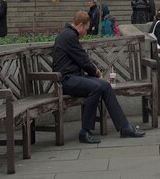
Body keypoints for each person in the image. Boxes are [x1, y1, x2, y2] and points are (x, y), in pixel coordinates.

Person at [52, 11, 146, 143]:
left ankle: (125, 128)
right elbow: (84, 61)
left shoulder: (70, 35)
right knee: (95, 87)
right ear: (81, 25)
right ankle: (85, 132)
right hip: (66, 81)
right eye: (86, 28)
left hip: (75, 77)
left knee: (105, 86)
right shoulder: (68, 36)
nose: (86, 31)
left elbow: (81, 61)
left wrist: (97, 77)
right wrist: (97, 74)